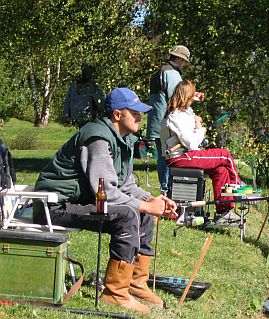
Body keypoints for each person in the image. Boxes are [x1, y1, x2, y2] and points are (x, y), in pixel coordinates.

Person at [34, 88, 177, 314]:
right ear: (117, 115)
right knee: (127, 215)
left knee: (143, 213)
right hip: (53, 205)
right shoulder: (98, 138)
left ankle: (135, 283)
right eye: (135, 112)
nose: (140, 116)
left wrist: (151, 199)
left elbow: (125, 184)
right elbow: (107, 193)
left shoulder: (123, 139)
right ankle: (115, 293)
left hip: (77, 201)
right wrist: (144, 205)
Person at [160, 80, 242, 219]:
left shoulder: (183, 112)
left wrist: (195, 99)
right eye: (192, 94)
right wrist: (200, 129)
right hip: (180, 158)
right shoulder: (176, 117)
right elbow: (191, 143)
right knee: (225, 155)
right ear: (186, 97)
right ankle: (238, 187)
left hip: (185, 155)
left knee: (220, 170)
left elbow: (189, 114)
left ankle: (224, 211)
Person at [147, 45, 204, 194]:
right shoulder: (172, 74)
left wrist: (194, 95)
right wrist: (193, 117)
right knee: (172, 159)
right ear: (179, 58)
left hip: (157, 122)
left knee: (163, 158)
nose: (184, 64)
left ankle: (165, 191)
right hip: (169, 126)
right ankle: (173, 193)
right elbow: (178, 100)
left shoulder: (159, 72)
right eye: (184, 61)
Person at [62, 63, 105, 128]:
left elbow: (100, 103)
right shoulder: (75, 86)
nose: (86, 73)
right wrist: (66, 115)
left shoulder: (94, 87)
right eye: (84, 71)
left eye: (88, 71)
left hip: (90, 119)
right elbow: (68, 100)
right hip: (79, 118)